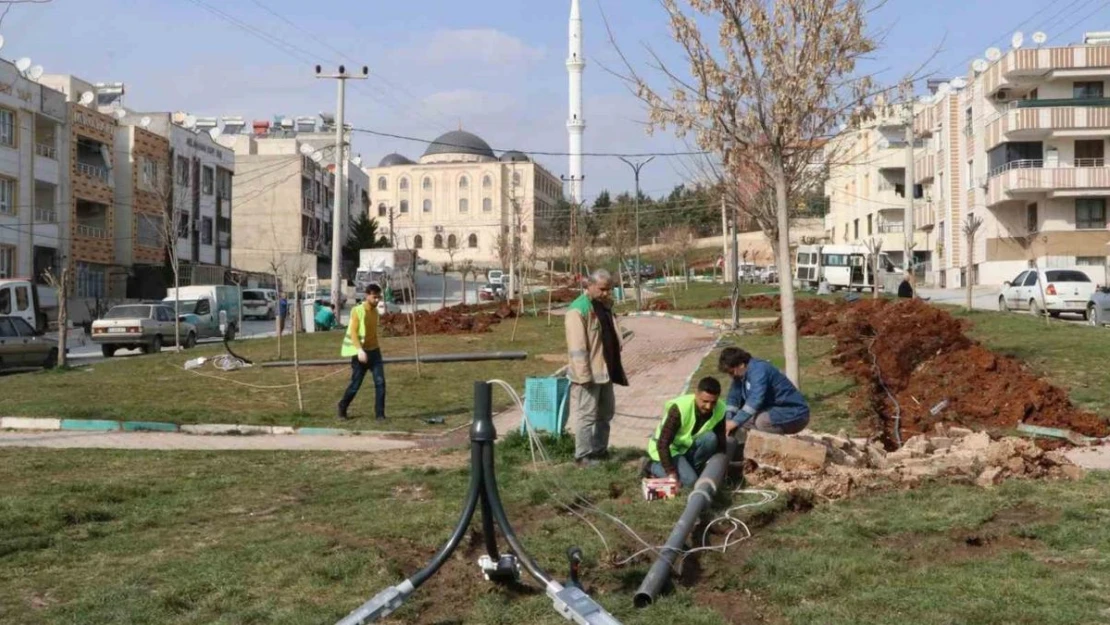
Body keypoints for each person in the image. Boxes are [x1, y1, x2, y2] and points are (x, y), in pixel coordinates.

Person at [565, 268, 628, 467]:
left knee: (605, 414)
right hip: (589, 374)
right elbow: (577, 348)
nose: (606, 293)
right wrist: (584, 376)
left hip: (606, 371)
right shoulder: (578, 310)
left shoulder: (604, 305)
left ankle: (600, 451)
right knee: (587, 415)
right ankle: (582, 456)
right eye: (602, 289)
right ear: (589, 285)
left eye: (609, 289)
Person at [645, 377, 728, 489]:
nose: (709, 406)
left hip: (686, 447)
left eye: (713, 402)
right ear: (696, 395)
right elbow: (663, 443)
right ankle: (650, 465)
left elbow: (720, 437)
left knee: (710, 438)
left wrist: (722, 462)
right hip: (669, 449)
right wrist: (671, 473)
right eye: (705, 401)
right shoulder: (680, 408)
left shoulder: (720, 409)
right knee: (690, 481)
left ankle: (690, 470)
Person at [719, 347, 809, 443]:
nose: (731, 376)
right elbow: (733, 398)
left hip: (795, 413)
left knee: (762, 421)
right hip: (774, 410)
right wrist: (729, 420)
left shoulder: (759, 370)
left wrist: (734, 422)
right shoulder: (740, 376)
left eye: (732, 372)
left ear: (741, 365)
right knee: (743, 421)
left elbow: (755, 400)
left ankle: (777, 449)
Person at [337, 284, 386, 421]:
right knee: (355, 385)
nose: (377, 300)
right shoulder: (357, 310)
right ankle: (342, 406)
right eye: (374, 297)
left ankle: (380, 415)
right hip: (361, 354)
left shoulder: (375, 312)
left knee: (380, 382)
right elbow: (353, 331)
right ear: (367, 296)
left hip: (375, 352)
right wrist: (359, 350)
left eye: (379, 297)